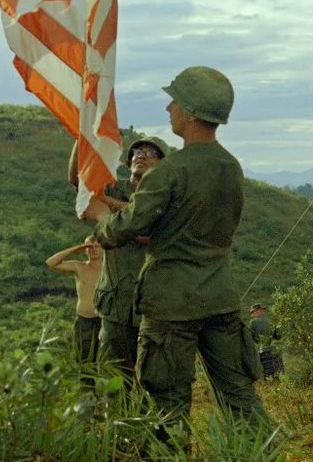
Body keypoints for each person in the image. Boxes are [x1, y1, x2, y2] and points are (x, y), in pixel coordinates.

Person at [83, 66, 270, 450]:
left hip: (170, 304)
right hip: (220, 296)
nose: (169, 107)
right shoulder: (231, 168)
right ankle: (265, 455)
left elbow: (128, 225)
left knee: (167, 403)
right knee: (239, 395)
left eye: (175, 101)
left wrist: (101, 224)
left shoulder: (169, 172)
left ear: (190, 111)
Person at [90, 135, 166, 385]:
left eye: (151, 153)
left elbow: (148, 231)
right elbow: (79, 181)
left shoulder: (168, 196)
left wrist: (112, 205)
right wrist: (82, 139)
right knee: (115, 382)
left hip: (155, 304)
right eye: (137, 152)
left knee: (154, 381)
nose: (141, 155)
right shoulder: (112, 186)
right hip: (116, 302)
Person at [46, 235, 105, 388]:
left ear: (103, 248)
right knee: (85, 366)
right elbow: (51, 262)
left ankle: (110, 404)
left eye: (96, 246)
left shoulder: (111, 268)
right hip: (85, 321)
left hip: (106, 321)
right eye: (88, 247)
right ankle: (88, 404)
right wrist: (75, 250)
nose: (92, 250)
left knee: (110, 364)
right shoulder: (79, 267)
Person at [248, 303, 284, 379]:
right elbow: (278, 336)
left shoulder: (253, 322)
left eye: (252, 312)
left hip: (258, 353)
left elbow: (249, 339)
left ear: (258, 311)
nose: (252, 315)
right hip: (269, 352)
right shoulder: (272, 321)